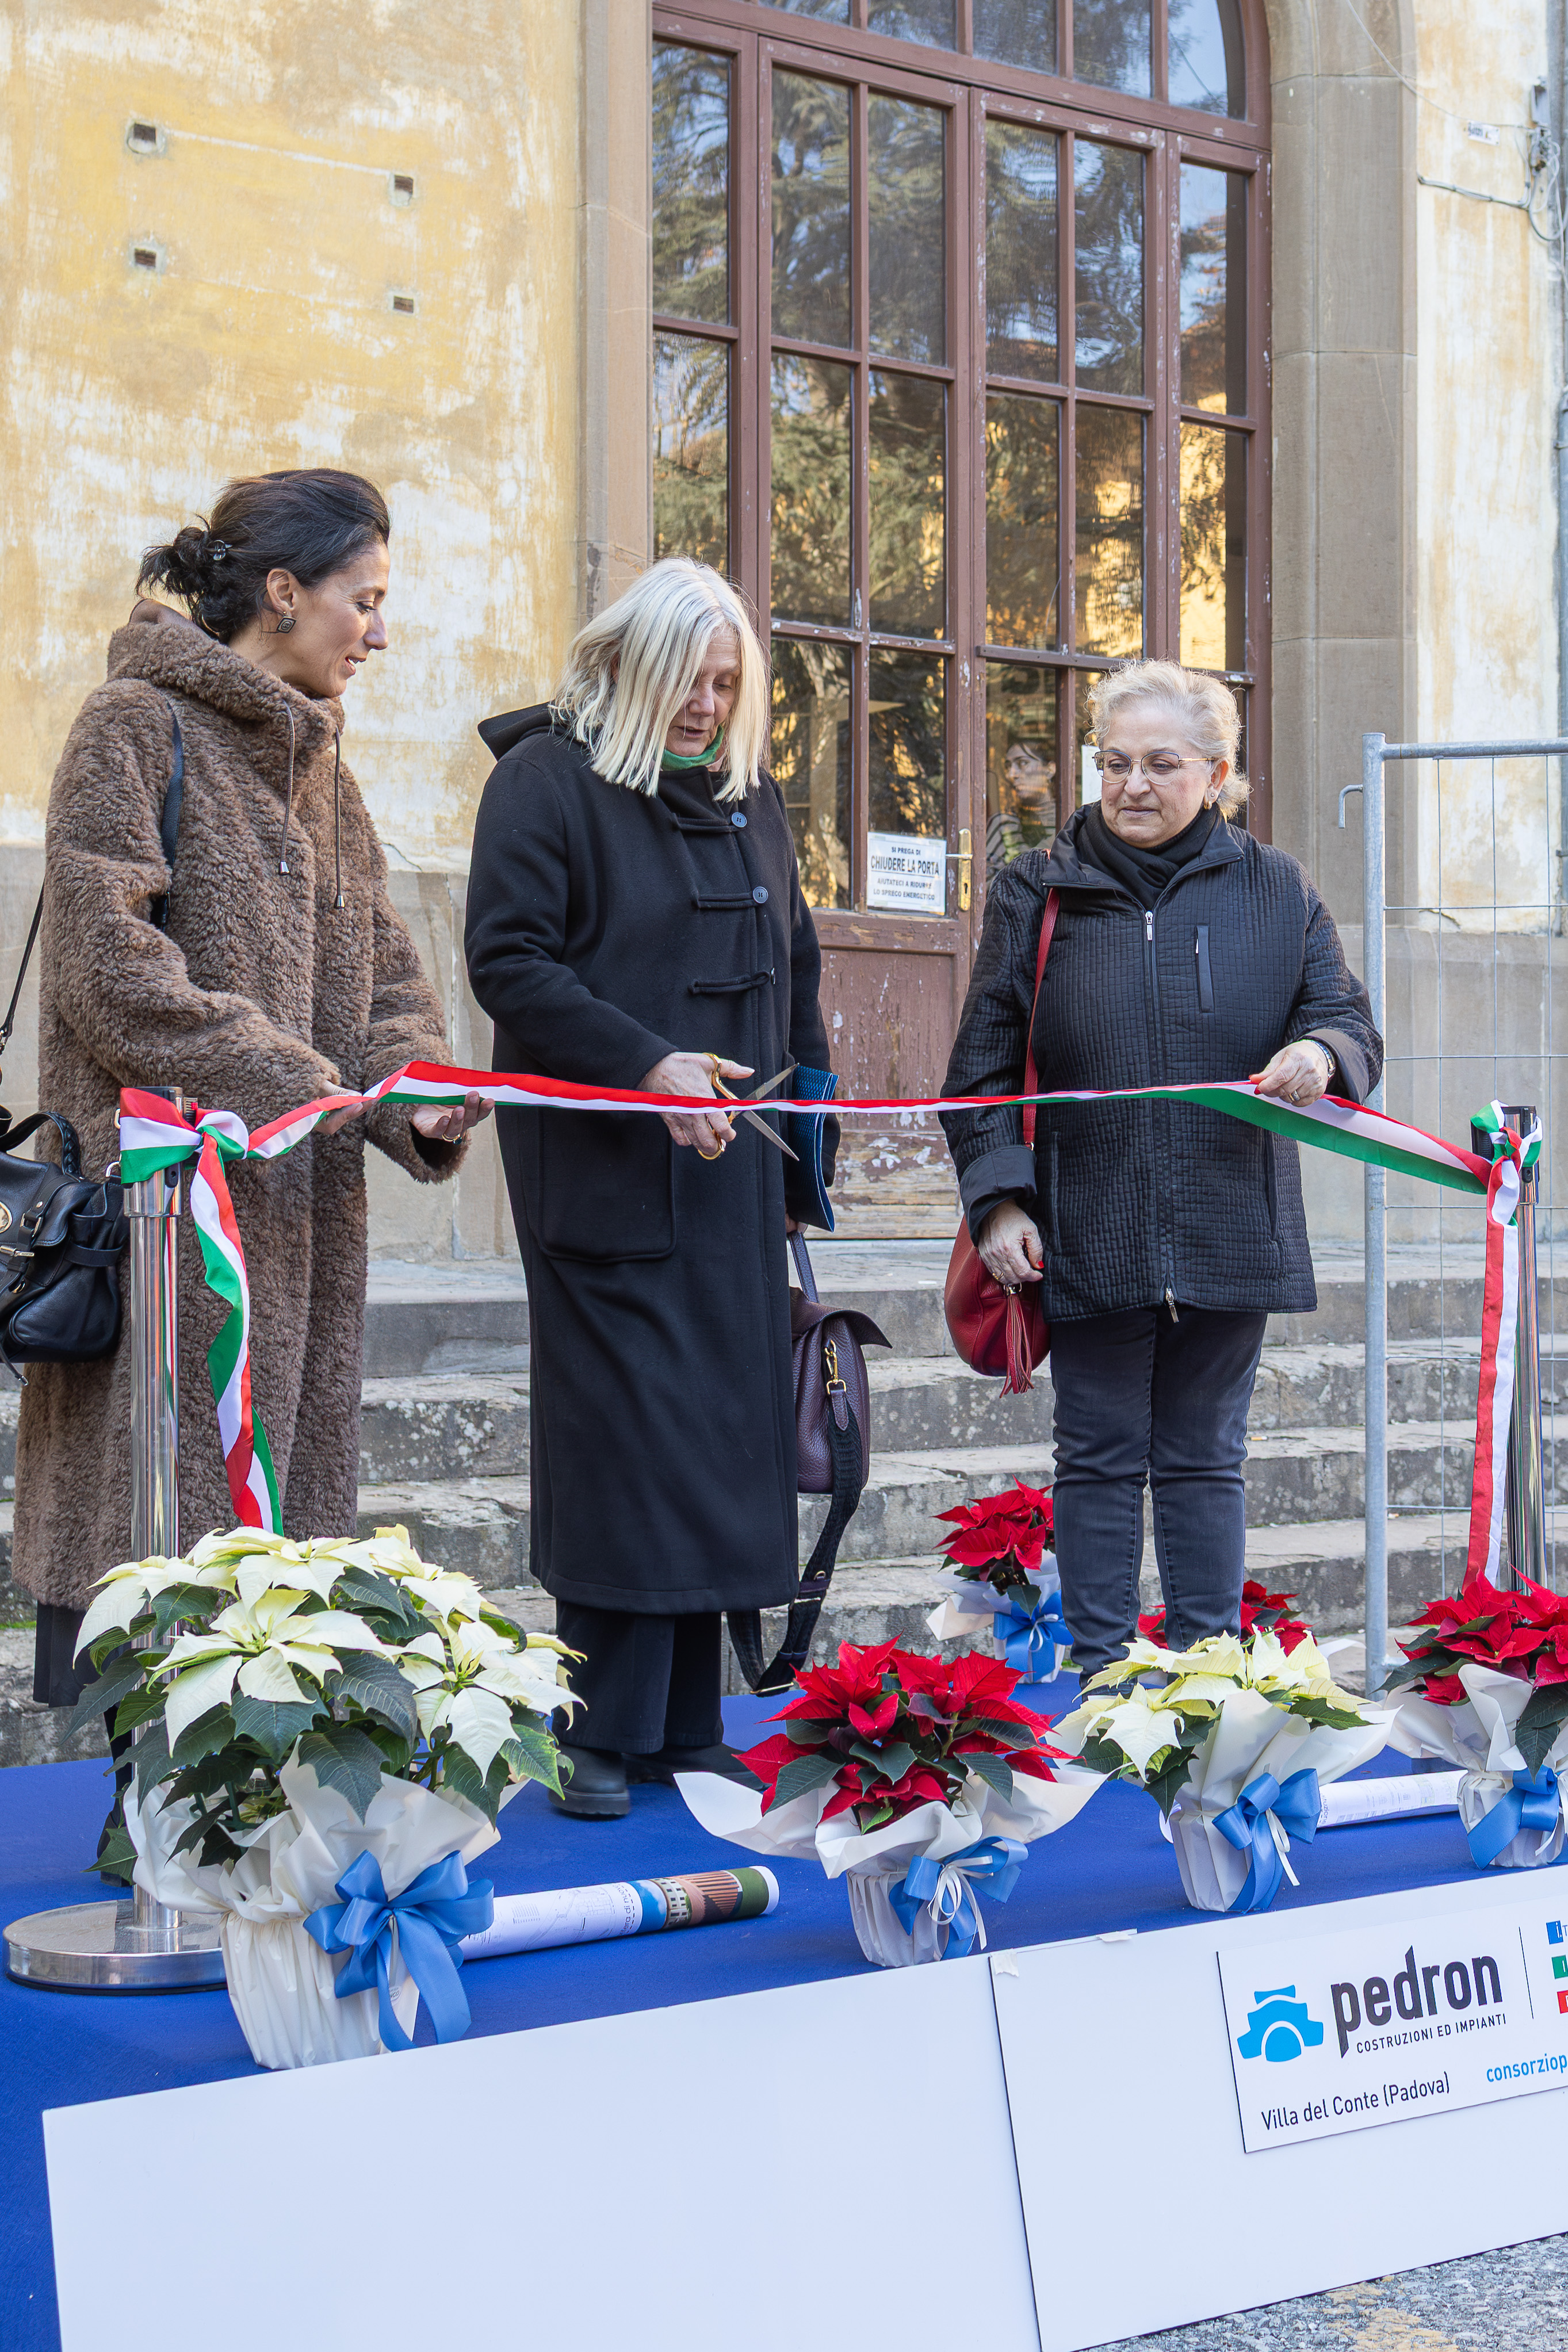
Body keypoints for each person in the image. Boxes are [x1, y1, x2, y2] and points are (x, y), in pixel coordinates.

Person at [17, 468, 489, 1709]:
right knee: (155, 1554)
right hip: (166, 1229)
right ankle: (159, 1852)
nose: (379, 633)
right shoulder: (133, 726)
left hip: (301, 1228)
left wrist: (415, 1093)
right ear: (282, 592)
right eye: (364, 600)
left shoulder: (332, 780)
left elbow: (391, 988)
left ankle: (235, 1844)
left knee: (273, 1583)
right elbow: (107, 968)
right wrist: (294, 1079)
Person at [465, 557, 837, 1817]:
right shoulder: (544, 781)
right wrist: (649, 1065)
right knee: (623, 1438)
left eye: (729, 684)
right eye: (690, 679)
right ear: (628, 663)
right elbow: (507, 964)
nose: (708, 705)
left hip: (735, 1180)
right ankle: (595, 1729)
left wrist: (804, 1173)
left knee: (722, 1443)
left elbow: (797, 979)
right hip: (603, 1176)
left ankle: (687, 1725)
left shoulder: (752, 796)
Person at [939, 660, 1381, 1678]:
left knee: (1202, 1461)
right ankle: (1101, 1682)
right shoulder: (1035, 887)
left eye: (1161, 764)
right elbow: (980, 1068)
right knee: (1095, 1458)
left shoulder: (1276, 888)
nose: (1132, 784)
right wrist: (998, 1200)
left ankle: (1202, 1677)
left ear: (1217, 771)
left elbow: (1347, 1017)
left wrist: (1321, 1055)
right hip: (1083, 1220)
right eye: (1114, 763)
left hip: (1230, 1216)